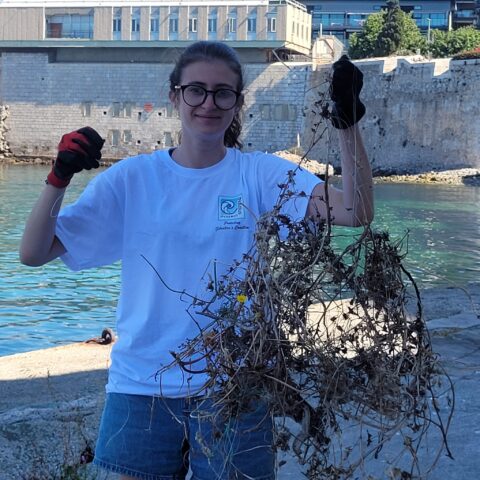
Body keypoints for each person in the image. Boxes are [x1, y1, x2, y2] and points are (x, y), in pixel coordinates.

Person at [19, 41, 373, 480]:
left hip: (238, 386)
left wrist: (347, 124)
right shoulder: (133, 179)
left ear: (238, 102)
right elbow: (34, 253)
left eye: (223, 93)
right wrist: (59, 176)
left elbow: (354, 211)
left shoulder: (261, 175)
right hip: (142, 385)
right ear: (174, 95)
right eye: (196, 90)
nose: (208, 103)